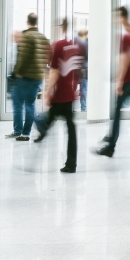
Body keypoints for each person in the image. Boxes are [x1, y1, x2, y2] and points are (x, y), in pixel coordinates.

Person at [96, 7, 130, 160]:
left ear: (123, 17)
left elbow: (124, 60)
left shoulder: (125, 37)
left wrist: (119, 81)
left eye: (117, 16)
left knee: (117, 115)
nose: (115, 19)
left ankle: (111, 147)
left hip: (128, 82)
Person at [33, 18, 83, 173]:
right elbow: (79, 69)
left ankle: (42, 133)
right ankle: (71, 163)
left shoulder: (59, 45)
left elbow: (54, 72)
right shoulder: (77, 46)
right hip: (70, 92)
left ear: (61, 27)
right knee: (70, 127)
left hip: (61, 92)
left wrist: (47, 92)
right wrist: (77, 88)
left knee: (48, 119)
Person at [6, 13, 50, 141]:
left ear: (27, 22)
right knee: (30, 104)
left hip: (24, 77)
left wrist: (16, 73)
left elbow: (22, 58)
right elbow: (46, 57)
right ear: (36, 22)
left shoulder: (26, 36)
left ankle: (18, 130)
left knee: (17, 104)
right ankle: (26, 133)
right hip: (37, 77)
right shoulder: (42, 37)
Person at [76, 29, 89, 112]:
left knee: (82, 88)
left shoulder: (79, 44)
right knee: (84, 87)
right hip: (85, 68)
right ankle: (83, 107)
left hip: (80, 68)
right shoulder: (86, 44)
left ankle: (83, 107)